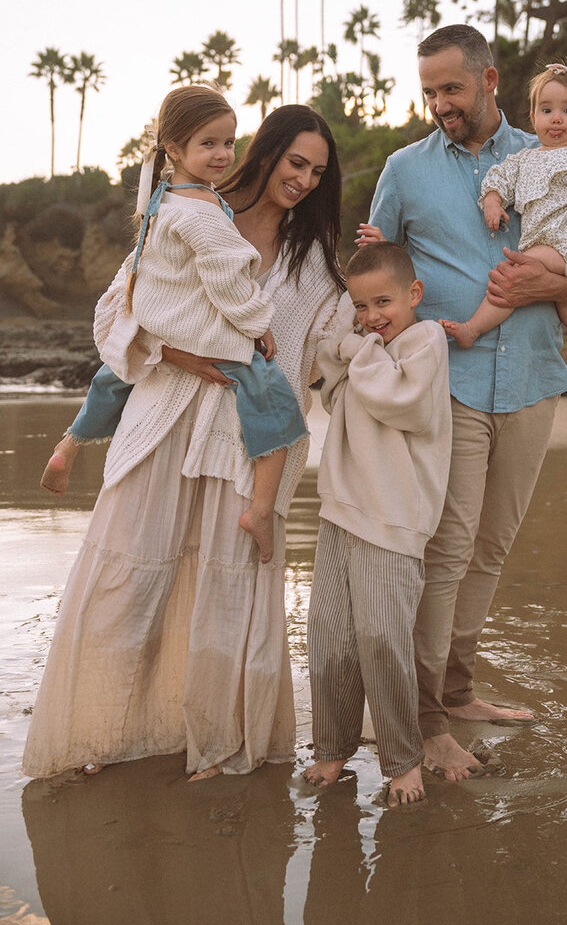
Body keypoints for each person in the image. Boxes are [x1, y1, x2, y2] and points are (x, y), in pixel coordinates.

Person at [22, 100, 344, 781]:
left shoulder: (312, 259)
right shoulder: (190, 211)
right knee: (128, 579)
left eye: (318, 171)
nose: (305, 179)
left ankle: (219, 745)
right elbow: (120, 306)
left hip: (241, 440)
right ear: (264, 154)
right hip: (162, 418)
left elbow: (312, 358)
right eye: (295, 162)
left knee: (227, 594)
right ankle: (100, 734)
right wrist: (170, 351)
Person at [357, 24, 567, 781]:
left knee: (493, 546)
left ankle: (459, 689)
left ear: (488, 79)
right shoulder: (405, 170)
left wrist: (550, 285)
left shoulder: (550, 155)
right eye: (429, 90)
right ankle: (425, 720)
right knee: (449, 546)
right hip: (453, 380)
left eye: (451, 87)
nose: (440, 102)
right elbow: (377, 275)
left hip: (536, 377)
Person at [40, 84, 308, 563]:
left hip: (155, 324)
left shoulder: (161, 201)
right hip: (199, 333)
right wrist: (258, 324)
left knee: (115, 378)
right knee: (279, 409)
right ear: (174, 149)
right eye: (209, 144)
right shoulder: (203, 213)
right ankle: (261, 511)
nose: (224, 154)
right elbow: (230, 283)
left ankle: (70, 444)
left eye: (229, 142)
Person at [303, 243, 451, 806]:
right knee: (331, 637)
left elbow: (403, 401)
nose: (370, 317)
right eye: (360, 305)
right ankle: (332, 747)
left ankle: (403, 760)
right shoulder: (367, 347)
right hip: (340, 508)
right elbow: (333, 381)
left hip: (393, 517)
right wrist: (351, 341)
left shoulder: (424, 340)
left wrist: (351, 345)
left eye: (383, 302)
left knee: (382, 639)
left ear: (414, 295)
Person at [440, 63, 567, 377]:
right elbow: (499, 179)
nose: (556, 118)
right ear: (533, 118)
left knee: (512, 277)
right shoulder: (525, 158)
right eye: (546, 110)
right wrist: (492, 202)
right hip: (550, 247)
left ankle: (472, 328)